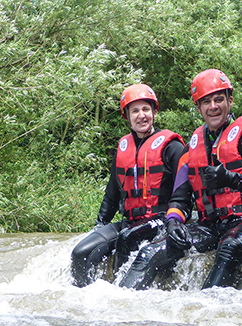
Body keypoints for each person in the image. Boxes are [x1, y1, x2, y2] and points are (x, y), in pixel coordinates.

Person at [165, 69, 242, 289]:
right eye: (206, 102)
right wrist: (172, 222)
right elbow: (179, 199)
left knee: (230, 246)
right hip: (211, 226)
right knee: (157, 248)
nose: (213, 106)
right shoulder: (191, 149)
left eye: (219, 100)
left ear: (230, 101)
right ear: (199, 108)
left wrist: (233, 180)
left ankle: (204, 309)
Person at [71, 84, 185, 288]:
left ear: (154, 112)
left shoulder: (172, 147)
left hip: (160, 220)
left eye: (146, 109)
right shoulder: (123, 148)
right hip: (130, 221)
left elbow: (185, 191)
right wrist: (100, 224)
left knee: (128, 237)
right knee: (81, 253)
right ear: (127, 116)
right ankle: (85, 296)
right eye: (135, 111)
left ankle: (119, 294)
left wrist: (176, 220)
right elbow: (111, 195)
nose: (141, 116)